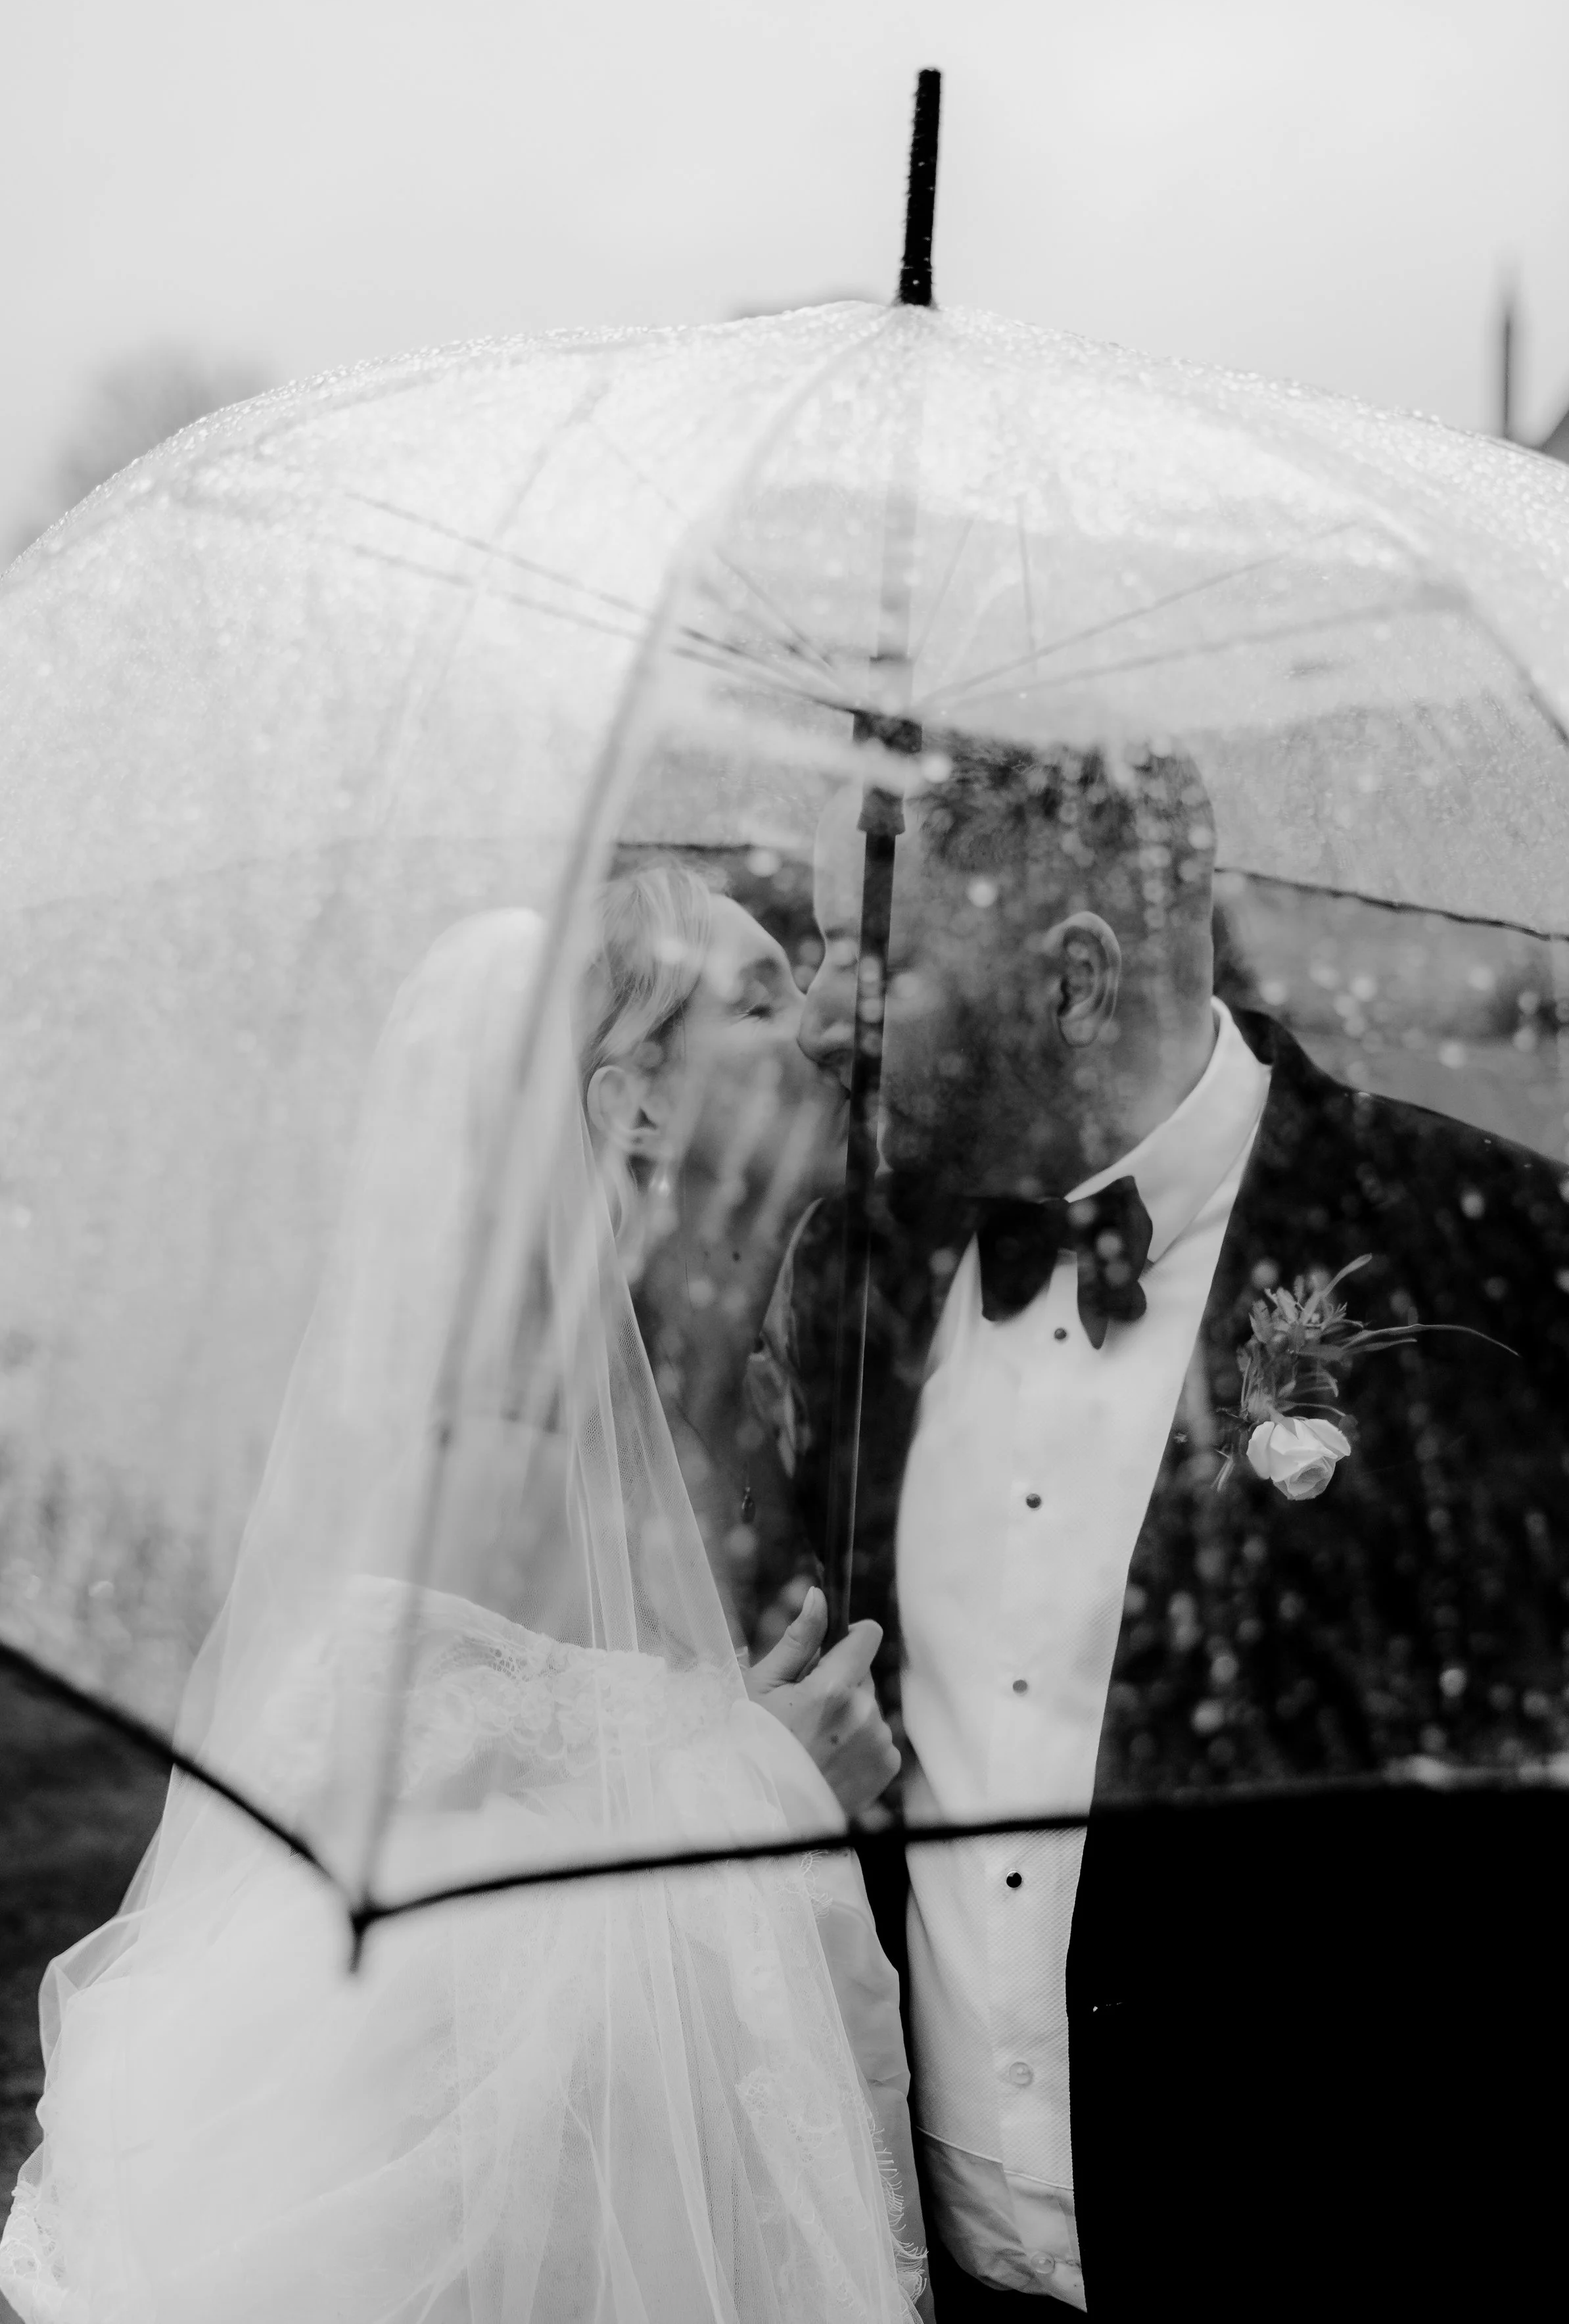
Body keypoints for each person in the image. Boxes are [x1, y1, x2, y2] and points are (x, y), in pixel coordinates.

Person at [759, 731, 1569, 2312]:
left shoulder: (1506, 1270)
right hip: (919, 2280)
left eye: (864, 962)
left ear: (1074, 983)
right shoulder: (849, 1274)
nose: (815, 1020)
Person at [0, 876, 927, 2324]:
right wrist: (769, 1781)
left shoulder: (759, 1385)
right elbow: (439, 1987)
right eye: (761, 1000)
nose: (821, 1025)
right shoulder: (510, 1462)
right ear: (632, 1108)